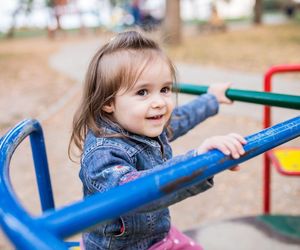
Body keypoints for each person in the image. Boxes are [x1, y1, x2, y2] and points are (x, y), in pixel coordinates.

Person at [69, 30, 247, 250]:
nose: (160, 103)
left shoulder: (141, 123)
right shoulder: (103, 153)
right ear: (108, 102)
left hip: (156, 237)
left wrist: (212, 99)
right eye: (143, 92)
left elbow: (180, 118)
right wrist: (197, 161)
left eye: (164, 89)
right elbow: (137, 192)